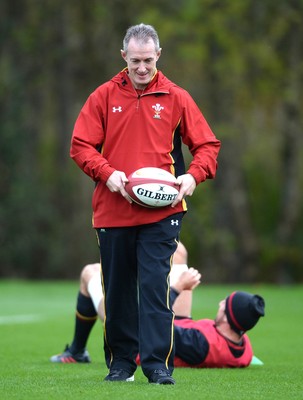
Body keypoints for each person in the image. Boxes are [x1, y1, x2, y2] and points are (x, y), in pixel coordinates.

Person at [70, 23, 221, 384]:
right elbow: (80, 145)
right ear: (123, 57)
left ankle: (156, 366)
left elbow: (207, 146)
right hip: (113, 210)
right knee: (118, 291)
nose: (141, 68)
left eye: (148, 61)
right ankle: (122, 364)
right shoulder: (103, 96)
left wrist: (192, 176)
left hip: (162, 214)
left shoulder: (176, 97)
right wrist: (107, 174)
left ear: (159, 56)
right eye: (135, 60)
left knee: (155, 289)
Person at [50, 242, 265, 369]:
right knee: (176, 250)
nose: (220, 303)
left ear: (228, 319)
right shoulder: (241, 345)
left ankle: (77, 351)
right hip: (179, 324)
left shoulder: (199, 344)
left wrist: (179, 288)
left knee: (89, 272)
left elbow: (154, 322)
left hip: (137, 334)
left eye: (224, 305)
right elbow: (246, 353)